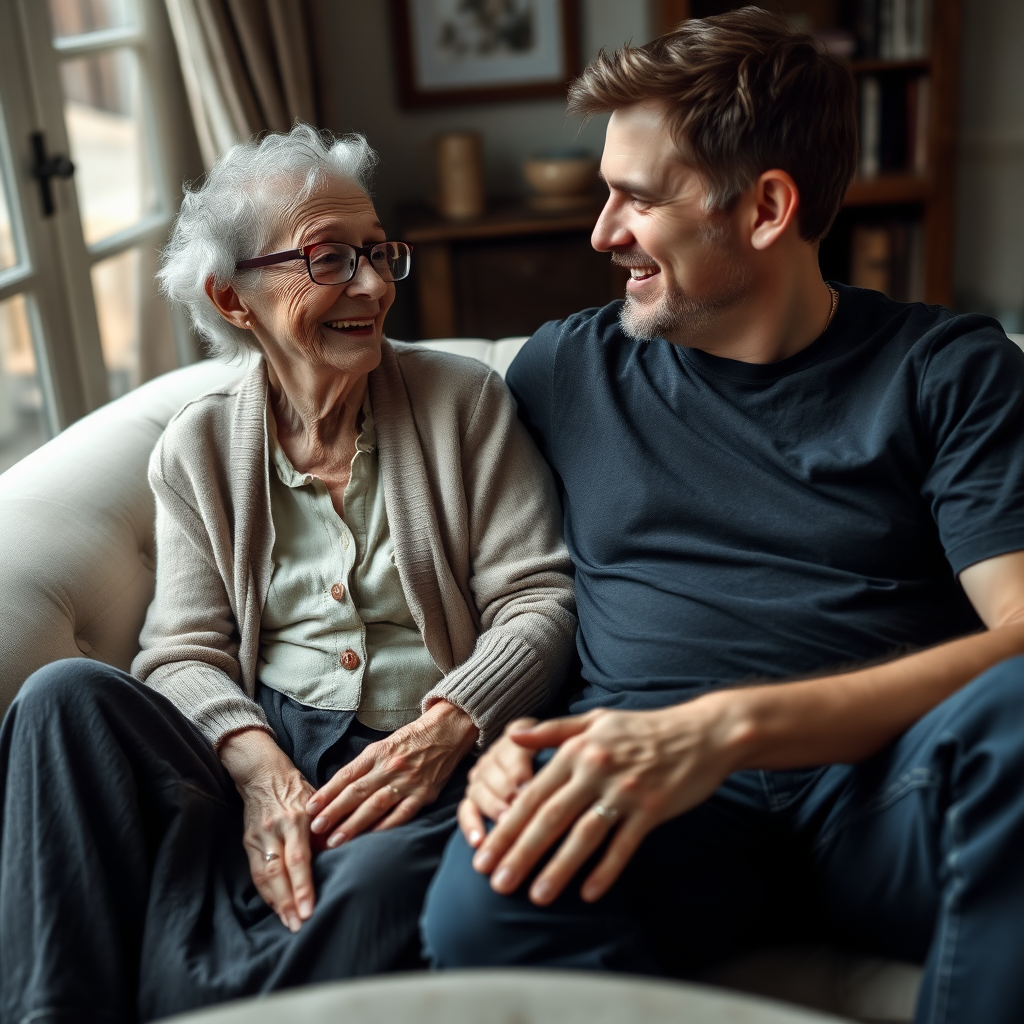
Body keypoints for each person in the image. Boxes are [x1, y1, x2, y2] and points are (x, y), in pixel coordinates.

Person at [421, 10, 1024, 1023]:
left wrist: (728, 726)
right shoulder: (563, 370)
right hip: (661, 819)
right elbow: (495, 574)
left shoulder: (947, 371)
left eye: (635, 198)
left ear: (765, 208)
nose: (600, 231)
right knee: (491, 887)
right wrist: (495, 738)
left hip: (884, 801)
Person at [0, 124, 576, 1023]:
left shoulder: (465, 404)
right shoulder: (197, 447)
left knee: (373, 894)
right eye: (330, 259)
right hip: (263, 740)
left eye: (379, 254)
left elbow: (538, 598)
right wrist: (259, 767)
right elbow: (182, 651)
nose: (376, 286)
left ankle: (192, 977)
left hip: (425, 748)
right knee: (60, 696)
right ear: (235, 300)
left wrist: (448, 726)